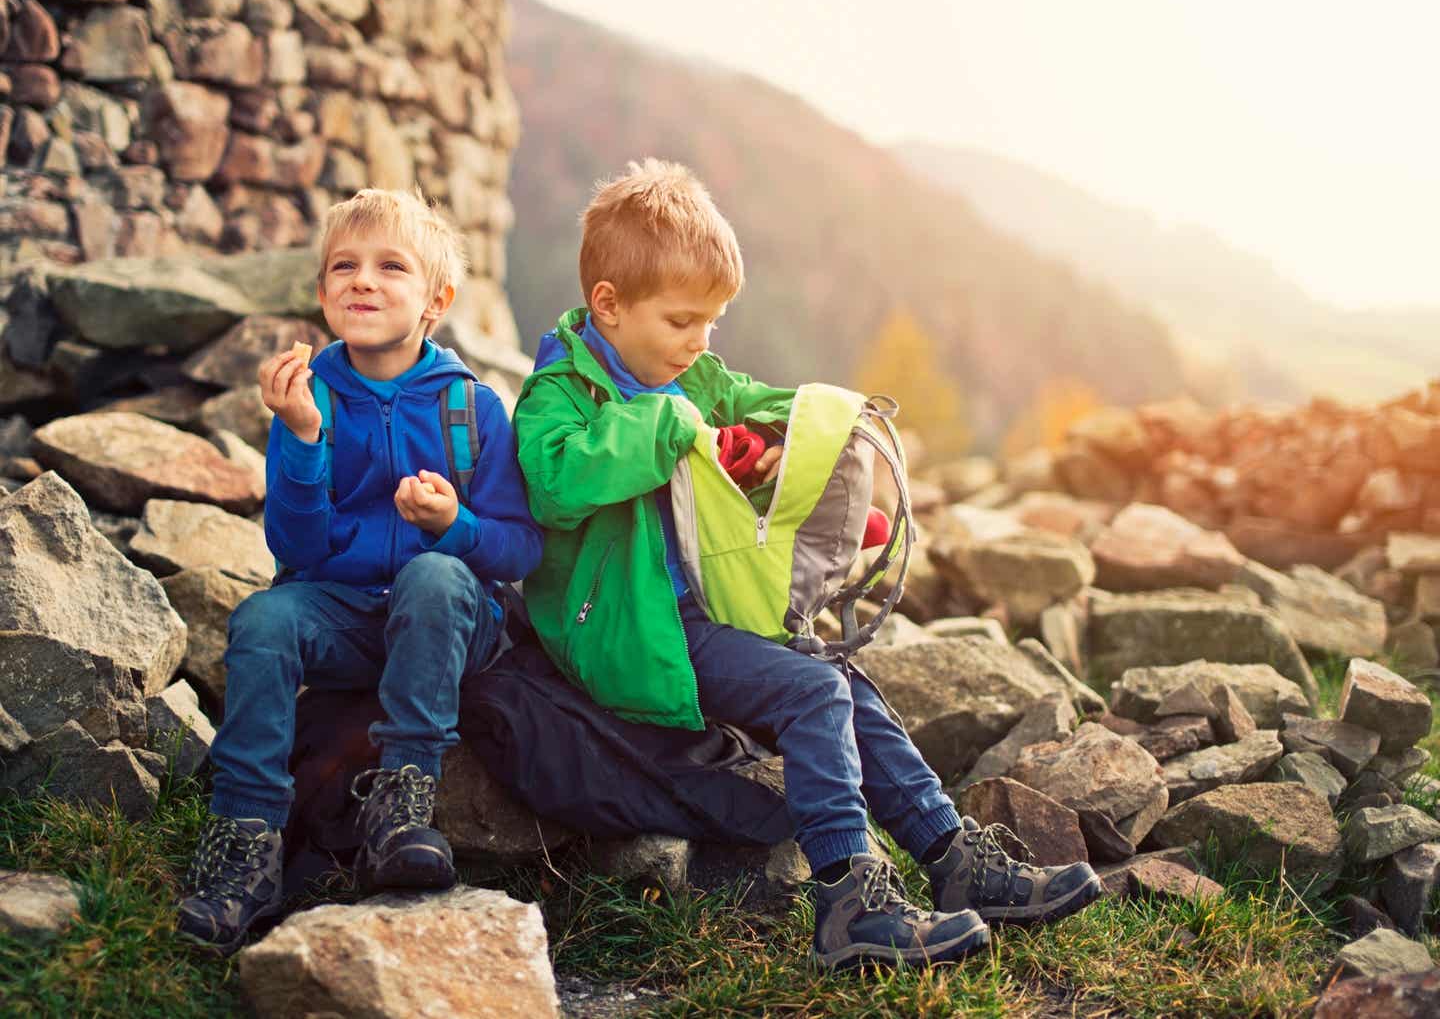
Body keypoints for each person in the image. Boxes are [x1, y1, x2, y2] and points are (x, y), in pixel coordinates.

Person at [514, 159, 1101, 969]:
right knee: (812, 690)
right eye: (682, 321)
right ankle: (849, 899)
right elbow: (555, 484)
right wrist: (670, 429)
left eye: (713, 323)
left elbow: (758, 401)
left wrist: (800, 433)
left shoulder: (696, 375)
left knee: (843, 679)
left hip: (702, 613)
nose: (699, 343)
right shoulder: (560, 395)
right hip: (630, 630)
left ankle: (953, 856)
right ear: (607, 307)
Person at [177, 188, 543, 954]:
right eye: (343, 265)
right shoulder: (311, 400)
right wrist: (305, 439)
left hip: (446, 621)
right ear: (320, 292)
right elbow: (297, 551)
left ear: (435, 301)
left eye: (390, 266)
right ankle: (244, 844)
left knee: (436, 576)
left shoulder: (472, 408)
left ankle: (401, 804)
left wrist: (455, 526)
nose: (362, 280)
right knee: (264, 619)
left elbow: (519, 549)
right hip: (343, 614)